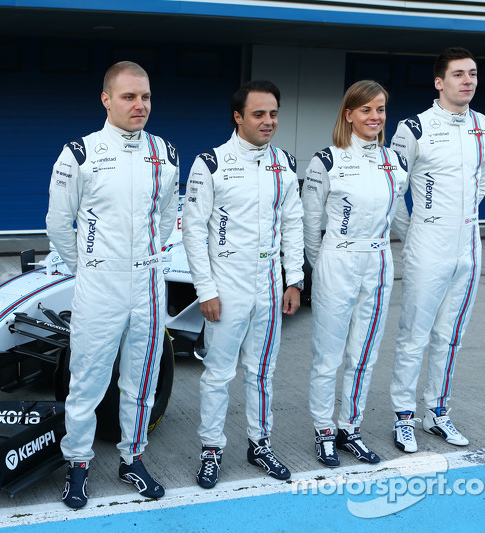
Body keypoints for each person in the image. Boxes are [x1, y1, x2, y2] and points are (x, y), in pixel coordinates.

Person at [45, 61, 179, 508]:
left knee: (142, 379)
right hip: (99, 283)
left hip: (148, 281)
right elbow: (59, 224)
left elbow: (165, 217)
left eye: (145, 96)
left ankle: (132, 458)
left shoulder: (166, 153)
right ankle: (78, 464)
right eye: (128, 96)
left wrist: (148, 259)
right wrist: (88, 268)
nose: (139, 105)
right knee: (87, 381)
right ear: (106, 99)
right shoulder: (79, 153)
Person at [182, 80, 304, 489]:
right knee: (218, 375)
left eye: (273, 114)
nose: (268, 121)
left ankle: (260, 444)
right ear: (238, 117)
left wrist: (295, 280)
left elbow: (292, 224)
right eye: (258, 114)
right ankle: (212, 449)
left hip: (270, 285)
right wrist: (206, 290)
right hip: (226, 286)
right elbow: (193, 231)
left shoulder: (284, 163)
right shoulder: (211, 162)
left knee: (263, 372)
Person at [390, 47, 485, 452]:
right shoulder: (413, 128)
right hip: (427, 242)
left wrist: (462, 218)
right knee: (414, 335)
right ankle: (403, 415)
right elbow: (395, 191)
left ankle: (437, 412)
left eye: (472, 73)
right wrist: (416, 230)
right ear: (439, 82)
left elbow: (482, 182)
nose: (467, 80)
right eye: (458, 74)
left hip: (468, 243)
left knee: (450, 334)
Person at [302, 80, 410, 467]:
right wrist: (324, 264)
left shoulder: (394, 162)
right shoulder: (326, 160)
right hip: (338, 260)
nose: (375, 117)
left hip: (379, 263)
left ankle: (351, 427)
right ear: (349, 114)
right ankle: (324, 430)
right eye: (366, 110)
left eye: (380, 109)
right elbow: (309, 225)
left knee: (364, 353)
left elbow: (399, 216)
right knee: (328, 355)